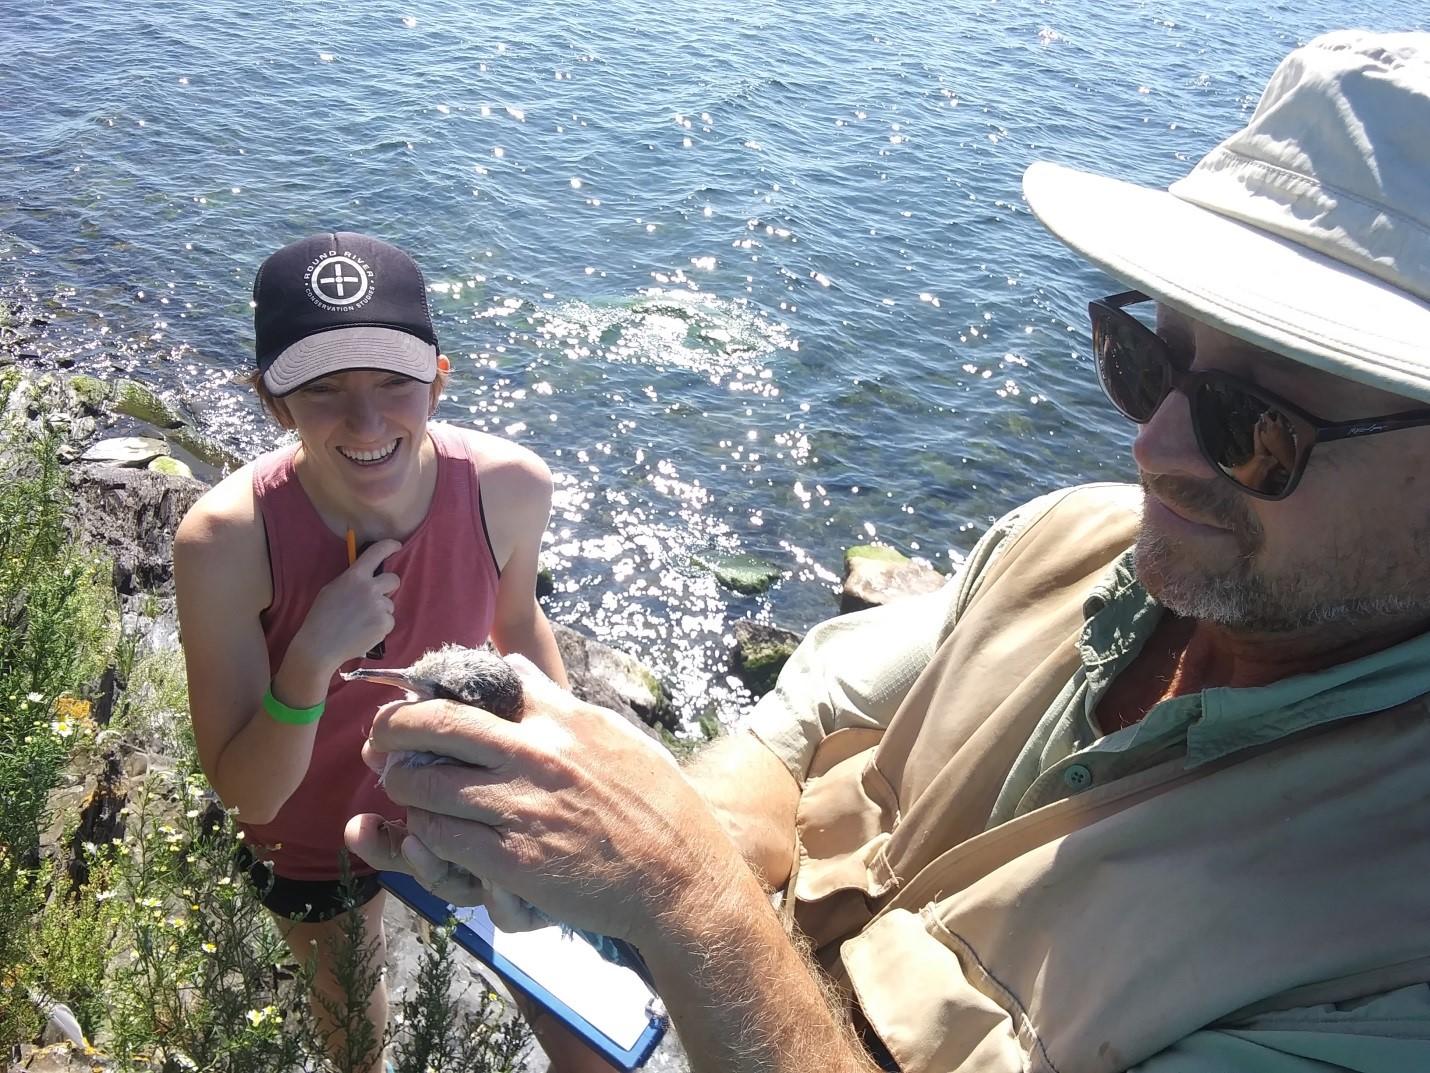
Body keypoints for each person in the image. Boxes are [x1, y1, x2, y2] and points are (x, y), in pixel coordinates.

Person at [348, 30, 1430, 1073]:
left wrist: (684, 895)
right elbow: (814, 699)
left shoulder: (1392, 966)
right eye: (1147, 358)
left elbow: (711, 871)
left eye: (1252, 424)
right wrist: (612, 868)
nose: (1150, 448)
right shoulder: (1063, 544)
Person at [173, 231, 569, 1073]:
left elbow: (521, 625)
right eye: (322, 389)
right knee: (355, 1024)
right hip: (313, 833)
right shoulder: (225, 543)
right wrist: (312, 655)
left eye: (395, 381)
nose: (367, 419)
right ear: (272, 402)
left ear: (439, 375)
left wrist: (561, 766)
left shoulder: (509, 488)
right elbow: (247, 786)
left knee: (566, 994)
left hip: (457, 802)